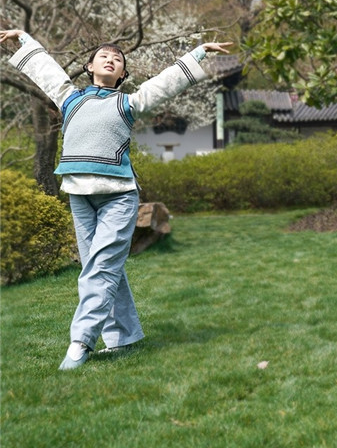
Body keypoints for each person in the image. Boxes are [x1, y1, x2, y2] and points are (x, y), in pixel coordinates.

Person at [0, 29, 232, 370]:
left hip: (119, 197)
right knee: (102, 267)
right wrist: (25, 40)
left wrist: (198, 54)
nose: (111, 59)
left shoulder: (128, 102)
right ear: (90, 66)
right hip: (79, 194)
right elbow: (46, 70)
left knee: (100, 268)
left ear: (122, 75)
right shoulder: (70, 98)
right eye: (104, 56)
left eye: (118, 59)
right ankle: (124, 336)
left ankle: (81, 340)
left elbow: (166, 82)